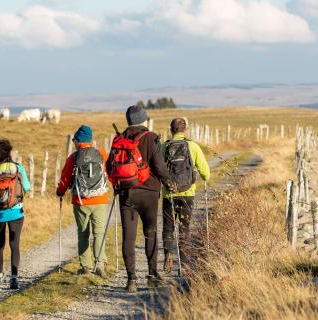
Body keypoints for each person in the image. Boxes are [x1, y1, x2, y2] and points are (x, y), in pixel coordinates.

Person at [106, 105, 175, 293]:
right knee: (150, 233)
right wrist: (169, 182)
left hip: (126, 194)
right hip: (149, 194)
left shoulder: (118, 139)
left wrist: (117, 184)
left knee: (128, 237)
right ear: (144, 119)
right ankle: (152, 276)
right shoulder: (151, 138)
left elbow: (109, 166)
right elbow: (159, 167)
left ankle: (131, 280)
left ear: (128, 120)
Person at [56, 125, 110, 277]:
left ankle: (86, 266)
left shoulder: (73, 158)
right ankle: (100, 263)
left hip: (81, 201)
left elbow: (65, 178)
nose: (74, 143)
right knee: (99, 232)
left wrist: (60, 191)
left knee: (83, 233)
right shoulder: (101, 153)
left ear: (78, 142)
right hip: (100, 199)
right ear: (90, 140)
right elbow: (110, 171)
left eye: (75, 141)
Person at [161, 118, 210, 273]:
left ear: (171, 130)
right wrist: (204, 177)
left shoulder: (164, 147)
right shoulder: (193, 146)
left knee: (168, 227)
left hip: (169, 193)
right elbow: (206, 173)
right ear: (185, 130)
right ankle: (184, 263)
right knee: (184, 227)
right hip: (187, 193)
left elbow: (157, 169)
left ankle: (168, 254)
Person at [0, 139, 30, 290]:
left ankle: (0, 276)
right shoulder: (17, 168)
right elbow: (26, 187)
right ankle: (14, 279)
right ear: (9, 152)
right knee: (14, 245)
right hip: (16, 212)